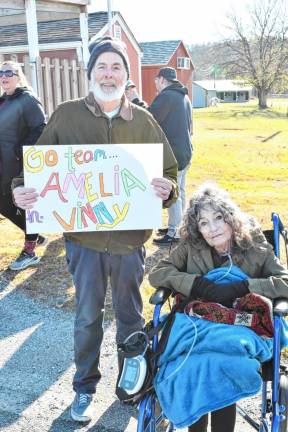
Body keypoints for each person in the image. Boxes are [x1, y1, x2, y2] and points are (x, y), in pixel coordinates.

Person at [12, 36, 178, 423]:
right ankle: (84, 388)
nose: (109, 73)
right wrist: (21, 189)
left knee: (130, 317)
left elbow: (168, 173)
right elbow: (36, 168)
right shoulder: (67, 116)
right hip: (83, 242)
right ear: (91, 73)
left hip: (128, 243)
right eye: (102, 66)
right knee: (87, 317)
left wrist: (166, 191)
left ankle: (130, 387)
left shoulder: (144, 120)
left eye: (117, 66)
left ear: (126, 74)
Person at [149, 183, 288, 432]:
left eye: (218, 218)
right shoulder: (192, 245)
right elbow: (157, 274)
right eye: (203, 223)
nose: (212, 228)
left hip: (241, 325)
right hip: (199, 326)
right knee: (195, 365)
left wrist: (244, 287)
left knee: (223, 364)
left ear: (230, 218)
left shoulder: (254, 243)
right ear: (197, 228)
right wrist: (197, 284)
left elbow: (285, 282)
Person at [0, 60, 46, 271]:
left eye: (9, 72)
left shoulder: (27, 99)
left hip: (19, 165)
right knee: (4, 205)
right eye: (1, 72)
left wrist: (21, 151)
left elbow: (40, 128)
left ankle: (30, 251)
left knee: (24, 205)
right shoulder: (3, 101)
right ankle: (36, 232)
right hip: (3, 165)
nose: (4, 76)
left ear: (19, 76)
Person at [149, 67, 193, 246]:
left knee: (173, 193)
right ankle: (178, 226)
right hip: (185, 151)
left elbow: (149, 118)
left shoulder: (167, 96)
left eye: (156, 81)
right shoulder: (184, 96)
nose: (155, 85)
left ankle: (175, 233)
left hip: (173, 154)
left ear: (162, 80)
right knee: (180, 191)